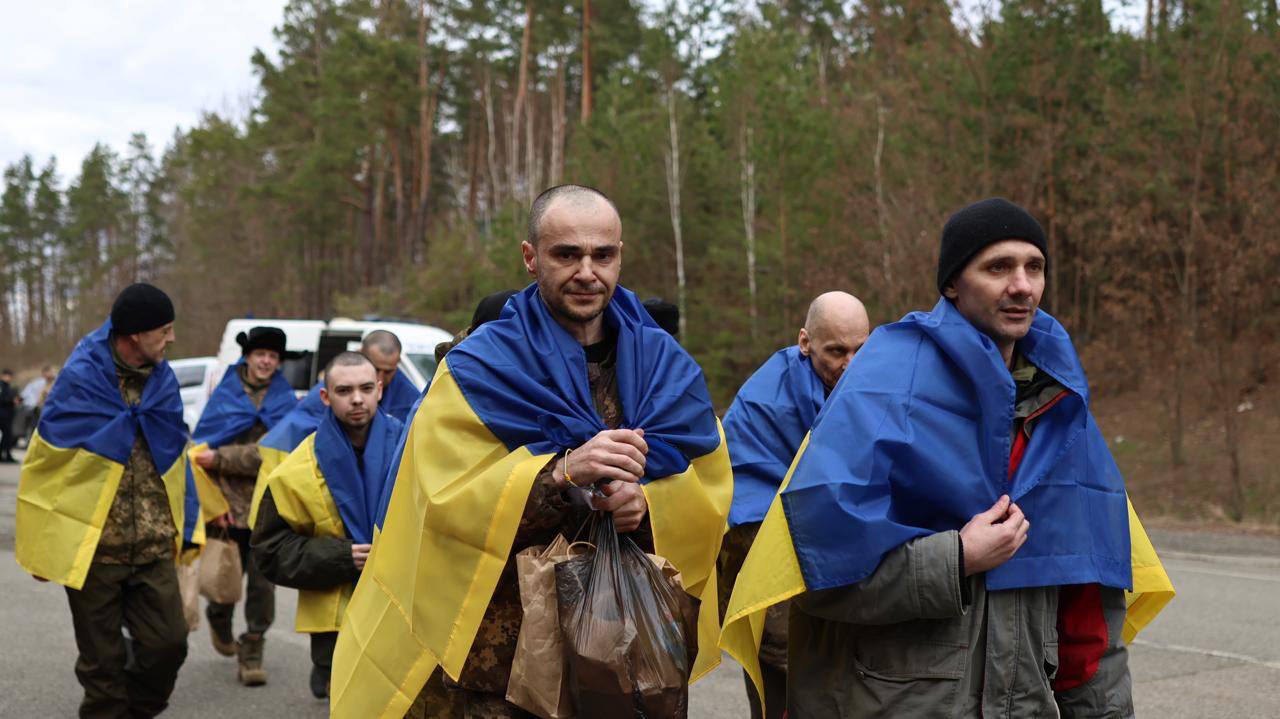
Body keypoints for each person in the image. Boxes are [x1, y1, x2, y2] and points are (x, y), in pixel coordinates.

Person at [720, 198, 1176, 718]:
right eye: (998, 267)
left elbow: (1090, 618)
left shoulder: (1062, 410)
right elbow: (818, 571)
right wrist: (956, 559)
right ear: (953, 284)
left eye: (1035, 267)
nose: (1022, 285)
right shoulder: (880, 389)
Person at [330, 184, 733, 718]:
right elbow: (444, 496)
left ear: (620, 255)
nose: (587, 272)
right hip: (504, 653)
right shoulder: (480, 365)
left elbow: (709, 482)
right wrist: (560, 473)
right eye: (567, 254)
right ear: (530, 257)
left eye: (602, 254)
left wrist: (647, 506)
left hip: (628, 647)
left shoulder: (668, 364)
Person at [15, 283, 192, 718]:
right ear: (134, 335)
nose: (170, 339)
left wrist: (187, 526)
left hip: (152, 545)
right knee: (102, 667)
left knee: (168, 646)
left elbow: (176, 457)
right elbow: (47, 465)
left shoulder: (163, 380)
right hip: (94, 550)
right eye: (164, 331)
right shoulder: (80, 380)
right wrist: (44, 546)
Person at [717, 290, 870, 719]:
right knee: (784, 670)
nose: (851, 363)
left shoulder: (863, 379)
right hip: (757, 539)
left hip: (812, 535)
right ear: (805, 342)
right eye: (836, 351)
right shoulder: (774, 396)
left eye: (861, 348)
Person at [251, 352, 403, 700]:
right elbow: (268, 551)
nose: (357, 399)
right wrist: (341, 556)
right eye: (344, 390)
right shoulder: (297, 469)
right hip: (336, 624)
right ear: (325, 396)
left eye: (366, 388)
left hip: (404, 616)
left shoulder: (411, 446)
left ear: (380, 389)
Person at [189, 326, 299, 685]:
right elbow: (199, 448)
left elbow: (272, 453)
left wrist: (221, 457)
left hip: (269, 503)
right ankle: (219, 616)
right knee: (226, 574)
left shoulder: (285, 400)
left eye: (273, 356)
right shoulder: (225, 395)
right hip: (225, 504)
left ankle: (253, 647)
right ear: (248, 357)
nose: (266, 361)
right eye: (260, 354)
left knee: (263, 583)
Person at [362, 329, 418, 423]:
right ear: (361, 355)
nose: (380, 379)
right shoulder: (339, 383)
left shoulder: (411, 401)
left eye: (388, 372)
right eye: (376, 369)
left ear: (398, 362)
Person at [16, 364, 56, 448]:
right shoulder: (38, 383)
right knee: (34, 427)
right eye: (47, 373)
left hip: (50, 410)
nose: (49, 374)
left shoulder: (56, 383)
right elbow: (27, 393)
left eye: (51, 372)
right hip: (37, 409)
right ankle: (32, 444)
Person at [0, 368, 16, 462]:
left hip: (7, 415)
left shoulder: (8, 386)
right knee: (6, 436)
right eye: (7, 376)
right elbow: (2, 399)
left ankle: (7, 455)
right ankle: (5, 455)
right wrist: (11, 401)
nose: (9, 378)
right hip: (2, 415)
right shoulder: (1, 386)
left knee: (8, 436)